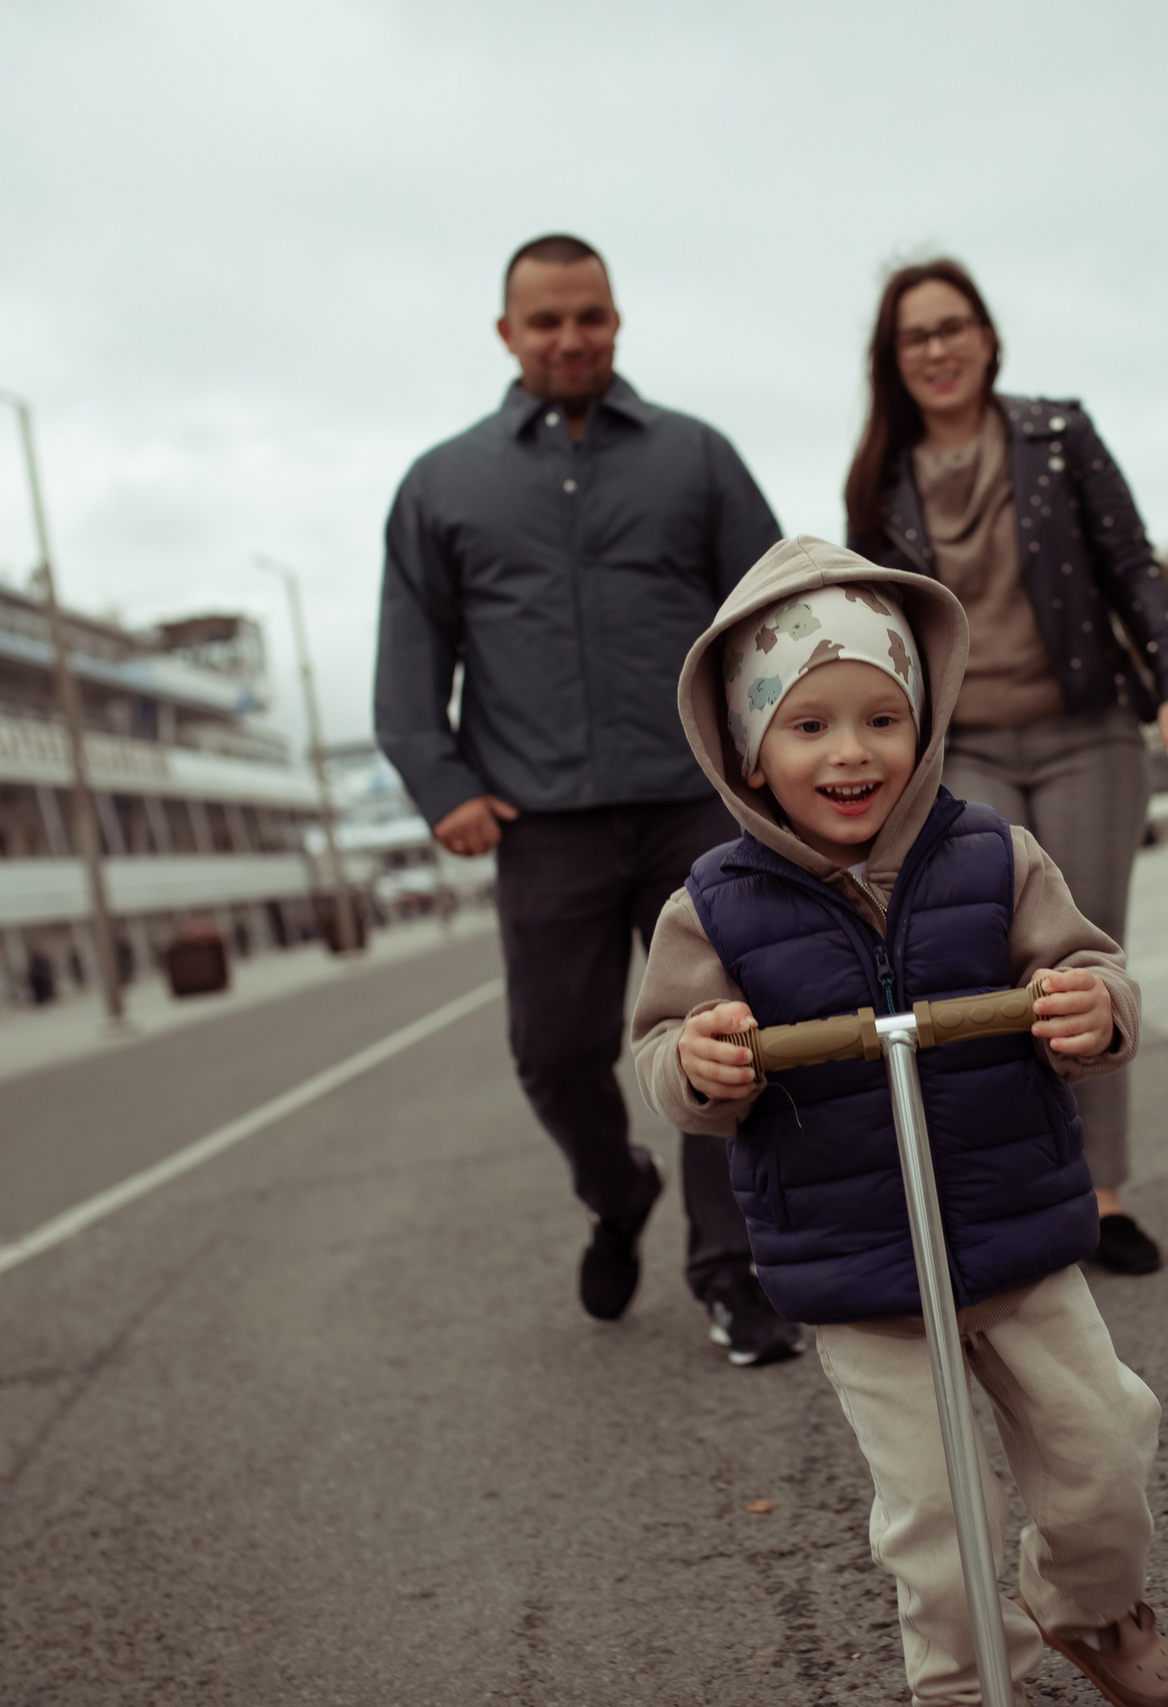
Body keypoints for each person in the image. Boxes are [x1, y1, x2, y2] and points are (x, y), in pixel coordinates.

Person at [631, 536, 1168, 1707]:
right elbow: (661, 1055)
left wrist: (1097, 1009)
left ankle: (1087, 1607)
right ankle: (957, 1684)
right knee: (933, 1523)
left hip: (1018, 1233)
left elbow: (1089, 966)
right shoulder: (711, 910)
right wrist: (701, 1063)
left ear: (924, 723)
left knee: (1102, 1452)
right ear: (748, 746)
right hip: (863, 1270)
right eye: (809, 724)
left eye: (881, 718)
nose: (851, 751)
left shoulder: (993, 855)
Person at [374, 233, 800, 1368]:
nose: (571, 338)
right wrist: (441, 783)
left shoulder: (695, 457)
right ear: (507, 333)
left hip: (692, 809)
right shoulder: (441, 483)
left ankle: (729, 1271)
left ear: (617, 321)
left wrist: (782, 756)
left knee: (724, 1041)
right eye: (547, 320)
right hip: (539, 821)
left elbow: (775, 619)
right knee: (555, 1054)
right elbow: (411, 653)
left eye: (591, 317)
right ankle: (618, 1193)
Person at [845, 258, 1168, 1277]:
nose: (939, 348)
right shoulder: (878, 479)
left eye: (955, 326)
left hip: (1085, 733)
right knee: (985, 963)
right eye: (916, 335)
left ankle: (1101, 1194)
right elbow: (873, 630)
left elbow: (1130, 561)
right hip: (964, 752)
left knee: (1081, 966)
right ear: (894, 357)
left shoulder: (1056, 437)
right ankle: (1016, 1187)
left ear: (989, 336)